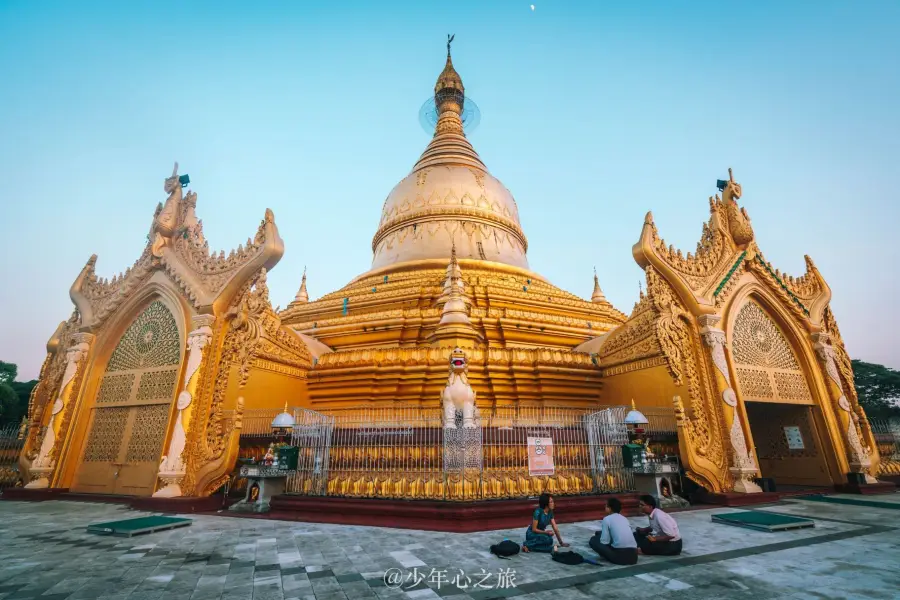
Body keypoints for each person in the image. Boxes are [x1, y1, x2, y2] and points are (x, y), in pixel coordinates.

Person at [589, 497, 638, 565]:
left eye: (606, 506)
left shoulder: (607, 519)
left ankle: (607, 556)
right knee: (599, 534)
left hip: (620, 557)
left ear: (610, 508)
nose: (605, 508)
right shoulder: (624, 518)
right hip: (634, 557)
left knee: (593, 540)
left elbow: (604, 541)